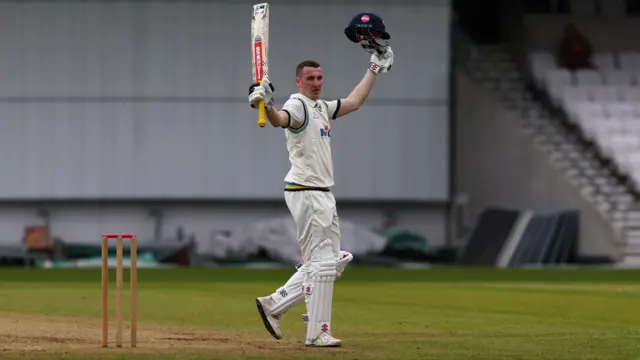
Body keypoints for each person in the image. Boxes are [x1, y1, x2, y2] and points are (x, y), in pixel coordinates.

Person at [247, 43, 394, 347]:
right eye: (310, 79)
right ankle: (316, 333)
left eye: (319, 78)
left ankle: (275, 303)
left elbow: (354, 101)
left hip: (322, 192)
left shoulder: (321, 107)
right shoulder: (298, 104)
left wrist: (374, 67)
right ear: (298, 81)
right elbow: (281, 120)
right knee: (321, 264)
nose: (316, 84)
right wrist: (267, 104)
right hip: (306, 191)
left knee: (334, 261)